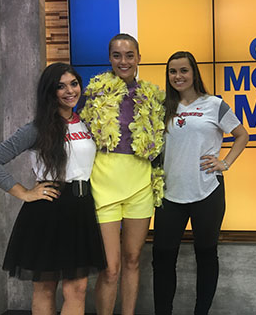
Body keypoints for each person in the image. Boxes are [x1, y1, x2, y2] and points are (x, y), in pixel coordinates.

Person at [0, 62, 106, 314]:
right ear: (50, 91)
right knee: (46, 287)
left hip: (81, 209)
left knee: (77, 289)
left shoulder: (88, 124)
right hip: (47, 210)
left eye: (74, 83)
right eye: (61, 86)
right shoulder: (37, 128)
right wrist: (24, 192)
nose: (70, 91)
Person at [152, 51, 249, 315]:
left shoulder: (214, 104)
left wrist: (225, 163)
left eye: (183, 70)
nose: (178, 76)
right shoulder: (162, 107)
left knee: (206, 254)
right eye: (172, 71)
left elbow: (242, 135)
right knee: (162, 257)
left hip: (207, 192)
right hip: (170, 195)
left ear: (194, 72)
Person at [79, 33, 165, 314]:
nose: (124, 61)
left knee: (132, 260)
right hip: (104, 183)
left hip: (140, 183)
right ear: (110, 59)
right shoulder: (94, 93)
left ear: (139, 57)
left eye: (130, 55)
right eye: (117, 55)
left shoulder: (153, 96)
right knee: (111, 267)